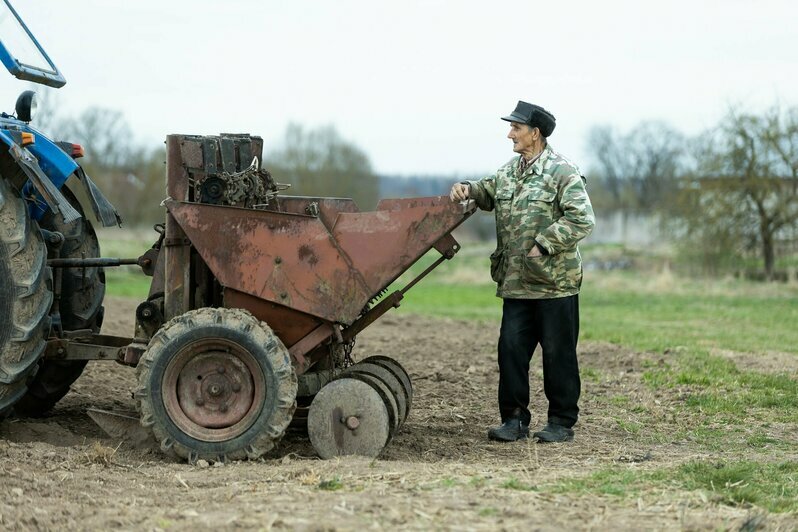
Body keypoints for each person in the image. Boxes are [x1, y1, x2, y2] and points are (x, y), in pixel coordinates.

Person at [449, 101, 595, 443]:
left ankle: (560, 423)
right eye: (511, 127)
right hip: (516, 284)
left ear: (535, 133)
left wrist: (544, 243)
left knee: (559, 355)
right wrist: (467, 188)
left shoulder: (562, 172)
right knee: (510, 351)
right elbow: (487, 191)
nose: (510, 133)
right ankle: (513, 421)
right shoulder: (509, 172)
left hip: (554, 285)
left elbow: (582, 219)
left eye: (516, 128)